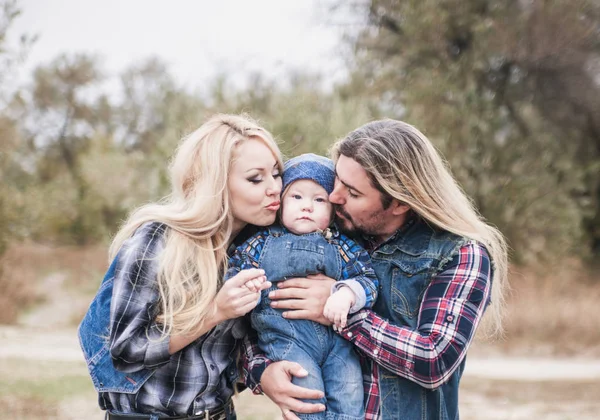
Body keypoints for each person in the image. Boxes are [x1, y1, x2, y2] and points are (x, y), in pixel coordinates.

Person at [242, 119, 509, 420]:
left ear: (399, 203)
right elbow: (257, 319)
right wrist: (262, 371)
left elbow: (433, 360)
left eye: (352, 193)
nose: (333, 197)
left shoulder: (459, 254)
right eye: (337, 181)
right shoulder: (332, 237)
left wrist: (339, 311)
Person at [78, 114, 285, 420]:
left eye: (277, 174)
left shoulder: (256, 251)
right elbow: (126, 350)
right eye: (256, 178)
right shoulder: (157, 241)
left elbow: (246, 352)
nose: (273, 188)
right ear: (215, 184)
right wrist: (215, 312)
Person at [226, 153, 378, 419]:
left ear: (332, 211)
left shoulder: (341, 245)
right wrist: (247, 286)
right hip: (288, 340)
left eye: (319, 199)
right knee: (307, 399)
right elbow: (233, 274)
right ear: (281, 203)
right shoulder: (260, 243)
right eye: (296, 197)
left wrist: (345, 294)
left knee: (350, 395)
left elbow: (368, 280)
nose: (307, 206)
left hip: (338, 343)